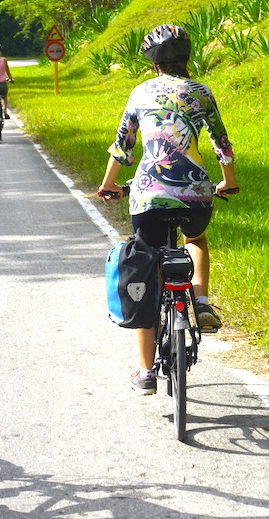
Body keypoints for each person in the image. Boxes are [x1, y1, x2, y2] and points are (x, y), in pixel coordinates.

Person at [97, 24, 238, 395]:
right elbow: (221, 143)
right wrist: (228, 180)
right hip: (195, 192)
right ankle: (202, 301)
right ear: (186, 57)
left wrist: (108, 185)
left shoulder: (140, 92)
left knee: (147, 266)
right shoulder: (200, 91)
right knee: (196, 238)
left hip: (148, 195)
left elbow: (122, 149)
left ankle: (145, 373)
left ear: (153, 62)